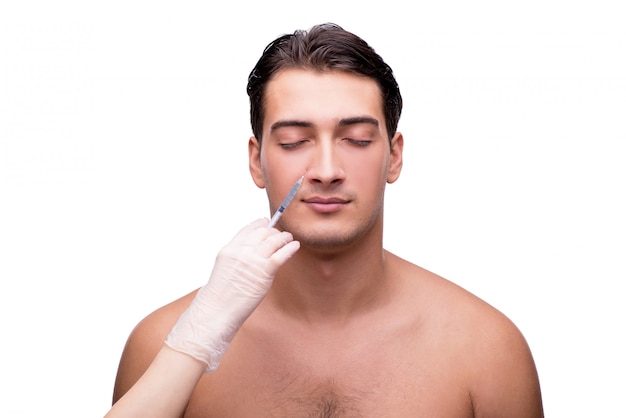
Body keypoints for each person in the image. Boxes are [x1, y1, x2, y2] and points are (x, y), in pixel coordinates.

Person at [106, 23, 544, 417]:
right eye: (295, 141)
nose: (327, 169)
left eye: (356, 139)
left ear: (394, 157)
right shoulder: (165, 344)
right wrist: (192, 346)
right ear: (257, 162)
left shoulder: (486, 350)